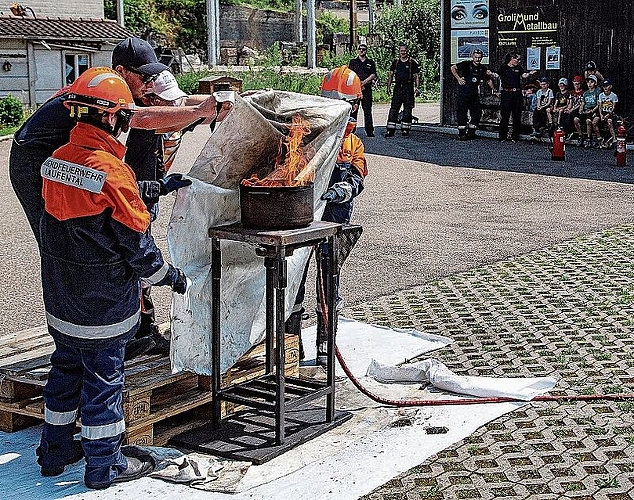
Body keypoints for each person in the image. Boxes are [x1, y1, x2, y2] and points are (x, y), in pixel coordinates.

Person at [9, 36, 231, 360]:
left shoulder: (120, 88)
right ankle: (80, 338)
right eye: (144, 77)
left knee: (106, 242)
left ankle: (131, 332)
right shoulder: (105, 95)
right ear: (121, 71)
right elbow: (140, 118)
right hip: (35, 162)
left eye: (153, 76)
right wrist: (200, 112)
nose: (149, 84)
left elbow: (172, 103)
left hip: (68, 158)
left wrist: (221, 103)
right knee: (64, 244)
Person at [36, 67, 188, 490]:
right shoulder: (114, 175)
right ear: (109, 118)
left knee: (65, 373)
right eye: (125, 117)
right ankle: (104, 466)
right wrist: (170, 277)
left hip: (63, 301)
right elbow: (137, 247)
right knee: (104, 384)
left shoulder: (55, 163)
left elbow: (87, 212)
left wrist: (152, 187)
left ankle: (55, 452)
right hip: (103, 306)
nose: (127, 126)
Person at [287, 65, 368, 365]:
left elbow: (358, 175)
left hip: (335, 222)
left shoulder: (352, 142)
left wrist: (344, 189)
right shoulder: (310, 136)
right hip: (306, 219)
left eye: (352, 104)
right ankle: (290, 345)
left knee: (329, 282)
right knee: (293, 278)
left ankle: (325, 344)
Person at [450, 48, 498, 140]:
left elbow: (488, 80)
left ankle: (471, 132)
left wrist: (495, 90)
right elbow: (453, 68)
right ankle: (462, 133)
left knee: (476, 112)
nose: (477, 59)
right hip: (463, 93)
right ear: (472, 57)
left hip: (474, 94)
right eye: (476, 57)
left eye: (479, 58)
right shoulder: (466, 64)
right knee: (462, 113)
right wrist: (458, 78)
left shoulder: (482, 68)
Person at [497, 52, 537, 142]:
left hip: (517, 93)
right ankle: (502, 136)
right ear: (512, 58)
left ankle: (515, 136)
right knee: (505, 115)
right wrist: (491, 74)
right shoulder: (503, 67)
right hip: (507, 93)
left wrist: (530, 73)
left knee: (516, 115)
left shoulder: (518, 68)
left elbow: (523, 75)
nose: (518, 61)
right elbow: (497, 75)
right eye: (517, 59)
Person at [385, 44, 420, 137]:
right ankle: (390, 130)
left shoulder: (412, 63)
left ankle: (405, 129)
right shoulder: (395, 63)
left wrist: (417, 88)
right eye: (401, 51)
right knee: (394, 109)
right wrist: (388, 87)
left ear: (407, 51)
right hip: (398, 88)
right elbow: (391, 75)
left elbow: (416, 76)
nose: (403, 52)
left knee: (407, 109)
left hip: (408, 88)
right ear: (399, 52)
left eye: (404, 51)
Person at [348, 44, 377, 137]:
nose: (361, 51)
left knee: (367, 110)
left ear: (366, 51)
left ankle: (369, 131)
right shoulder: (353, 62)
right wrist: (358, 85)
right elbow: (350, 74)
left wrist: (363, 83)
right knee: (353, 110)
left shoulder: (370, 62)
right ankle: (351, 130)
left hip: (367, 89)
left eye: (363, 49)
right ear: (357, 51)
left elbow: (373, 75)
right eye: (360, 49)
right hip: (355, 90)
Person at [573, 74, 601, 148]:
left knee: (588, 121)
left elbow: (598, 104)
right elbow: (582, 103)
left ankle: (589, 138)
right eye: (588, 82)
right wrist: (581, 109)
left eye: (592, 82)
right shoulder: (585, 93)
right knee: (576, 119)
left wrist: (592, 110)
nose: (590, 84)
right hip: (586, 109)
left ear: (595, 83)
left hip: (593, 109)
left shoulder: (597, 91)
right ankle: (580, 135)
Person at [596, 79, 618, 148]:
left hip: (609, 112)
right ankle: (599, 138)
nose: (605, 88)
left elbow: (613, 107)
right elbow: (600, 106)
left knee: (609, 121)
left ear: (610, 86)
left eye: (607, 86)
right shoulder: (601, 95)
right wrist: (601, 115)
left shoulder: (614, 96)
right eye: (604, 86)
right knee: (594, 122)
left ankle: (614, 139)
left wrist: (608, 115)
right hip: (602, 111)